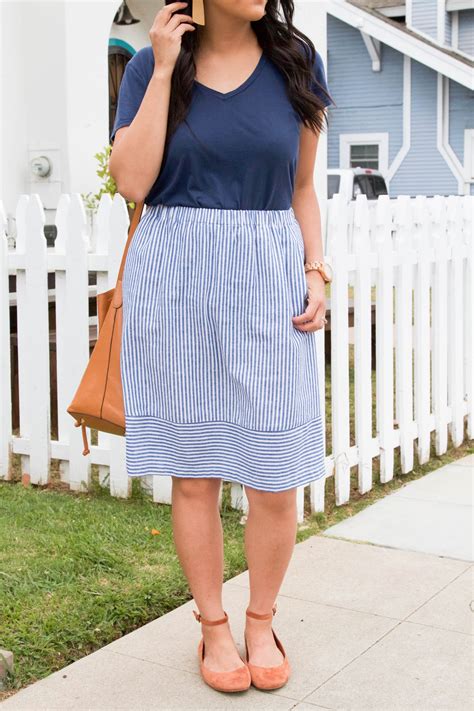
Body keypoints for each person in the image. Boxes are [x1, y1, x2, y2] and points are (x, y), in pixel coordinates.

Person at [109, 0, 334, 694]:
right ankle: (212, 625)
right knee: (196, 471)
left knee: (274, 471)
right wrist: (167, 67)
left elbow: (301, 186)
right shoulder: (151, 65)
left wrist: (316, 268)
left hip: (269, 278)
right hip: (174, 277)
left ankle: (260, 619)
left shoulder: (295, 62)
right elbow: (132, 183)